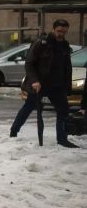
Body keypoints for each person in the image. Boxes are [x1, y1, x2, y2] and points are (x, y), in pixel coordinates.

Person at [10, 19, 78, 148]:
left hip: (57, 85)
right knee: (28, 107)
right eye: (58, 31)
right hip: (40, 83)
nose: (61, 34)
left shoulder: (64, 45)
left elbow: (67, 68)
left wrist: (67, 87)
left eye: (64, 32)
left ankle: (62, 139)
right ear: (53, 29)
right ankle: (14, 132)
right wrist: (35, 81)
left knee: (63, 111)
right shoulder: (42, 43)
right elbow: (29, 63)